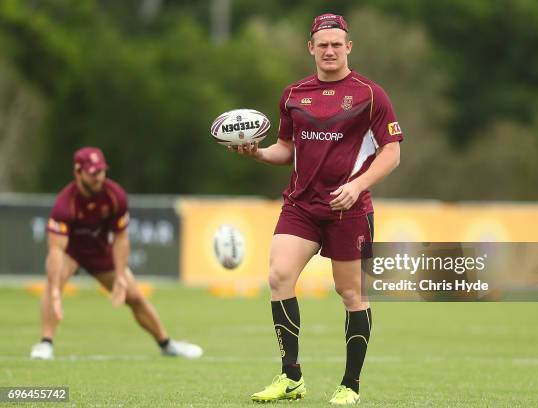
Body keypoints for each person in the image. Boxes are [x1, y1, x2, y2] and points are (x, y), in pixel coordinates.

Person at [231, 14, 403, 405]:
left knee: (350, 292)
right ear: (311, 48)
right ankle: (291, 377)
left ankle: (350, 385)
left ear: (349, 48)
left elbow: (392, 152)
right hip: (302, 206)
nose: (329, 51)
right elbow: (286, 149)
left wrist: (357, 185)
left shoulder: (370, 94)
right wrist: (256, 152)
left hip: (350, 209)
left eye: (336, 44)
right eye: (322, 44)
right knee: (279, 275)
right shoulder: (294, 94)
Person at [30, 147, 202, 360]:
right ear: (78, 172)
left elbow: (121, 238)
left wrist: (120, 275)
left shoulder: (114, 195)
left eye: (101, 171)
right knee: (51, 286)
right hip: (71, 252)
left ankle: (167, 344)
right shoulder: (65, 204)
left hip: (101, 252)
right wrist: (56, 289)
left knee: (136, 297)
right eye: (92, 173)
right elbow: (56, 250)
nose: (98, 177)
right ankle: (45, 343)